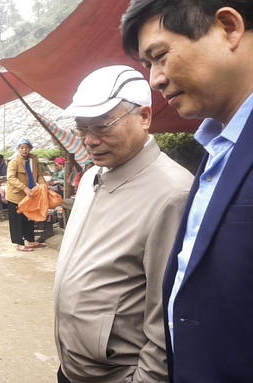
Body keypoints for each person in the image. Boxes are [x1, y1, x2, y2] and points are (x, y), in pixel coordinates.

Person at [121, 2, 253, 381]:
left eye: (159, 56)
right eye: (148, 65)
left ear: (228, 28)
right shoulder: (219, 149)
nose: (154, 80)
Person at [53, 65, 194, 383]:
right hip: (72, 370)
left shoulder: (172, 193)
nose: (89, 141)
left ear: (144, 117)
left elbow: (168, 316)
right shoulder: (91, 177)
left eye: (102, 127)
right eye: (82, 128)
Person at [5, 138, 46, 252]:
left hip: (30, 195)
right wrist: (24, 187)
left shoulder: (33, 159)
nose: (24, 150)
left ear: (30, 149)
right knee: (16, 220)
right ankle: (19, 243)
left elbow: (38, 174)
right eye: (22, 148)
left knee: (29, 218)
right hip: (16, 195)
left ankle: (31, 241)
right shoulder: (14, 161)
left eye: (26, 148)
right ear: (18, 149)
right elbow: (11, 178)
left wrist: (43, 185)